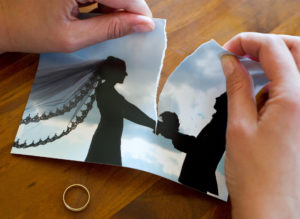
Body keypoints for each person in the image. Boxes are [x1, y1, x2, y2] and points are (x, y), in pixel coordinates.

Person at [0, 1, 299, 217]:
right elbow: (134, 113)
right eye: (124, 72)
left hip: (185, 169)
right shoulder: (109, 93)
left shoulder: (224, 125)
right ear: (114, 73)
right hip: (108, 140)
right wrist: (159, 128)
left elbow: (200, 149)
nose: (127, 76)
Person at [85, 56, 156, 165]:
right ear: (114, 72)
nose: (125, 75)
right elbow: (129, 111)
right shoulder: (106, 91)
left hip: (108, 137)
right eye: (122, 71)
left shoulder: (107, 90)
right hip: (106, 140)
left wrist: (152, 123)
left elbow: (129, 109)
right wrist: (152, 124)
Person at [159, 93, 227, 196]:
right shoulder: (219, 122)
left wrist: (173, 134)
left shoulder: (221, 124)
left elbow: (200, 149)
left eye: (221, 97)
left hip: (195, 179)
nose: (216, 97)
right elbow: (199, 146)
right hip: (195, 179)